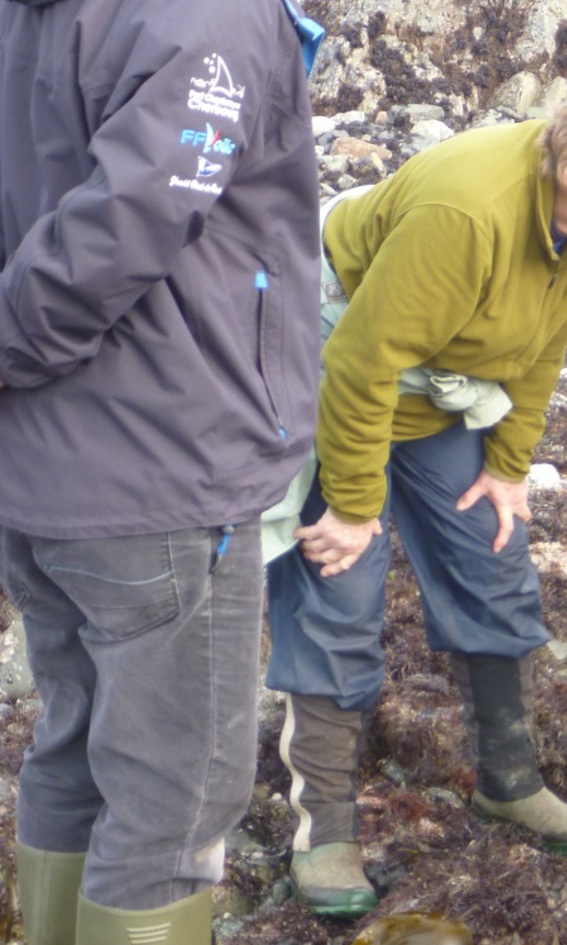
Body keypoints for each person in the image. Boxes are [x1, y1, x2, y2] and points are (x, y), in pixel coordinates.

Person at [263, 74, 567, 918]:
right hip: (330, 359)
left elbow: (542, 345)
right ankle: (326, 829)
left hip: (439, 389)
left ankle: (509, 780)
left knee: (494, 558)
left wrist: (508, 464)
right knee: (339, 590)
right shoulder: (465, 216)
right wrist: (353, 505)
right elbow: (361, 364)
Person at [0, 0, 321, 941]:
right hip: (161, 469)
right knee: (173, 800)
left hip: (40, 474)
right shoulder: (205, 12)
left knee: (76, 748)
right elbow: (123, 228)